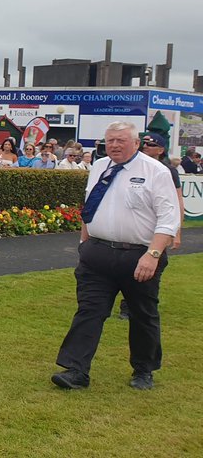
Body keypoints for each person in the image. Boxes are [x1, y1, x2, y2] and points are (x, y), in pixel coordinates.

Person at [51, 121, 179, 391]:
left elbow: (169, 219)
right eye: (110, 141)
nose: (114, 145)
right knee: (89, 311)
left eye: (121, 140)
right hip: (97, 255)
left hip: (140, 256)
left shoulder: (156, 171)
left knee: (143, 314)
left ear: (136, 142)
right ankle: (76, 370)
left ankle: (143, 370)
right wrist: (84, 243)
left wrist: (153, 255)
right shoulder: (99, 166)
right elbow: (91, 205)